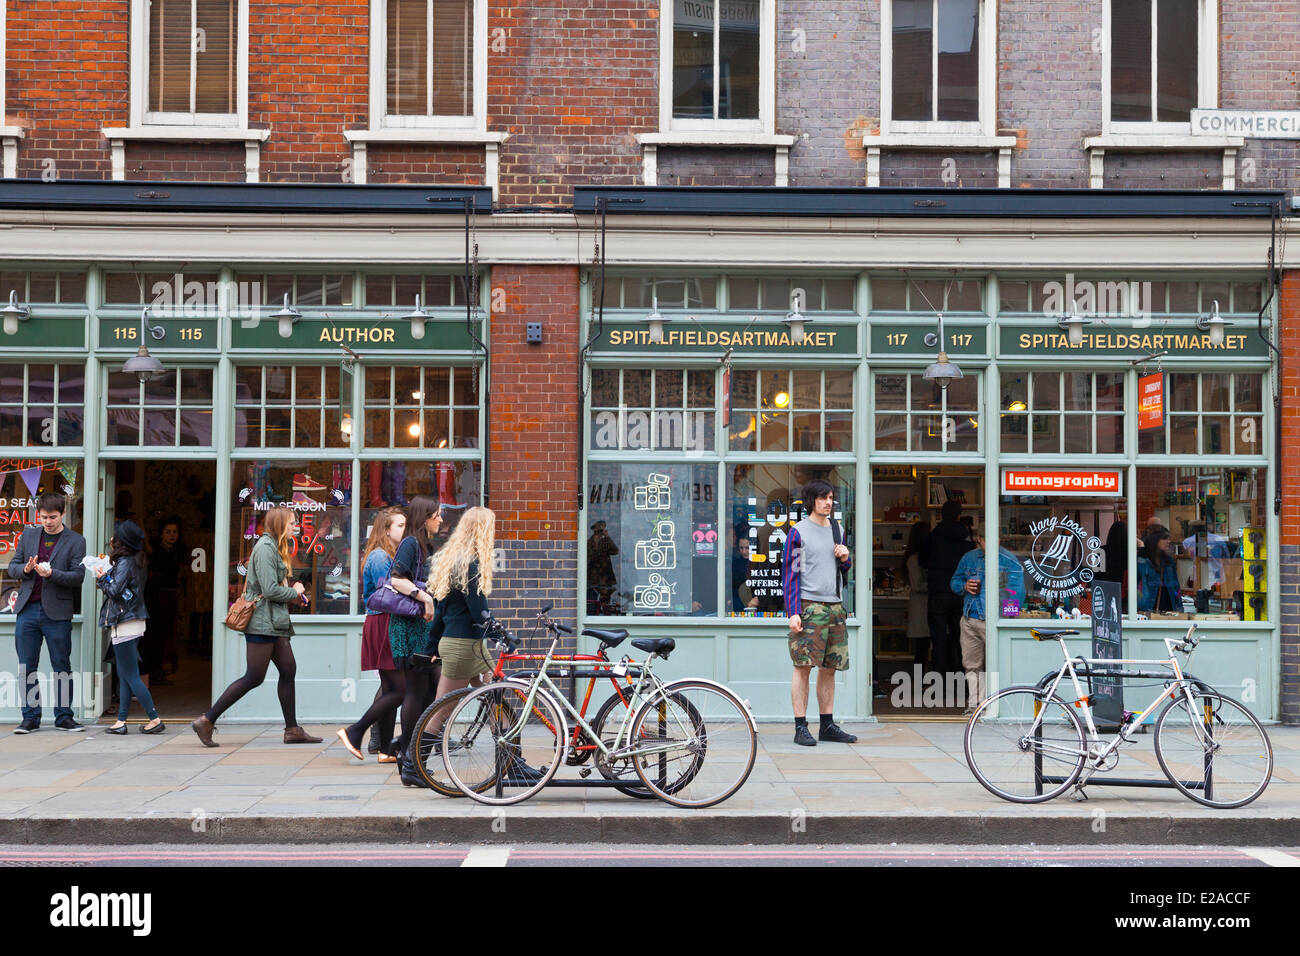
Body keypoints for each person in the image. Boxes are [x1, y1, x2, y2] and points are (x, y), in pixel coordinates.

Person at [191, 506, 322, 746]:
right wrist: (294, 591)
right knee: (254, 676)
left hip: (274, 622)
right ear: (281, 524)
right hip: (262, 622)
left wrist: (294, 595)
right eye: (292, 522)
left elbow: (272, 587)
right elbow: (269, 590)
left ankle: (292, 729)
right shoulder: (264, 549)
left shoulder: (275, 547)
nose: (297, 526)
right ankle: (206, 720)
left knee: (288, 669)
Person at [781, 479, 856, 746]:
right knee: (803, 667)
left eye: (831, 498)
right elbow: (791, 574)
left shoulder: (838, 530)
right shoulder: (798, 532)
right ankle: (801, 726)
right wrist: (793, 612)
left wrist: (846, 560)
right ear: (811, 501)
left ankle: (827, 725)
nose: (828, 502)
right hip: (809, 606)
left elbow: (840, 572)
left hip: (835, 606)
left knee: (830, 668)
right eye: (823, 498)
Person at [416, 507, 499, 744]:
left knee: (496, 698)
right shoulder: (470, 565)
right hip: (463, 647)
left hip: (468, 645)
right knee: (441, 711)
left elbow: (441, 610)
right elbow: (479, 611)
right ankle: (413, 765)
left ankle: (513, 763)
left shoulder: (452, 562)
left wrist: (432, 646)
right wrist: (498, 632)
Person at [8, 492, 87, 733]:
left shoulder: (75, 540)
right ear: (38, 515)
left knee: (61, 665)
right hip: (28, 610)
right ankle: (30, 718)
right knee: (26, 666)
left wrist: (52, 574)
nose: (48, 521)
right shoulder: (29, 535)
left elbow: (78, 576)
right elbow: (12, 568)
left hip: (57, 611)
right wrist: (27, 568)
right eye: (43, 517)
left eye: (52, 517)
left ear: (63, 514)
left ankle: (64, 716)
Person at [337, 507, 406, 763]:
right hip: (383, 623)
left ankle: (386, 749)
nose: (404, 530)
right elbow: (387, 595)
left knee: (390, 688)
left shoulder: (388, 555)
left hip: (385, 622)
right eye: (400, 526)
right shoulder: (379, 557)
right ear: (386, 529)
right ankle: (354, 731)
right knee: (400, 690)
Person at [386, 495, 443, 785]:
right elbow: (395, 579)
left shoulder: (423, 545)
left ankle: (407, 750)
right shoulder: (410, 544)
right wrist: (426, 598)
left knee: (432, 691)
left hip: (420, 629)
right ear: (425, 517)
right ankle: (409, 757)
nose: (441, 520)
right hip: (409, 628)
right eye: (437, 515)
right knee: (417, 691)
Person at [95, 520, 163, 735]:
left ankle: (154, 718)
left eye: (114, 536)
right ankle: (121, 721)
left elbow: (114, 591)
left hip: (124, 622)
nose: (111, 539)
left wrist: (101, 577)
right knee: (125, 674)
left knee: (131, 675)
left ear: (121, 541)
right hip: (132, 621)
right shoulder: (137, 560)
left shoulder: (125, 562)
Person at [949, 532, 1024, 716]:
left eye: (995, 538)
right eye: (986, 539)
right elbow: (954, 581)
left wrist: (1007, 621)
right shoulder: (969, 558)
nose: (991, 542)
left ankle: (998, 707)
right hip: (970, 618)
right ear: (979, 539)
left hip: (996, 621)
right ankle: (976, 706)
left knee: (997, 664)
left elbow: (1016, 593)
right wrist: (964, 586)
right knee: (972, 665)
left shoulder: (1009, 560)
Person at [922, 500, 974, 684]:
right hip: (960, 593)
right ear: (959, 515)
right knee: (959, 638)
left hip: (937, 591)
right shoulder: (967, 539)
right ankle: (959, 679)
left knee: (938, 639)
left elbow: (923, 560)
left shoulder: (933, 536)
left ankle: (938, 681)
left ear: (941, 515)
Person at [143, 515, 185, 686]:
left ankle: (159, 669)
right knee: (156, 634)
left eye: (174, 532)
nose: (171, 535)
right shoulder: (156, 552)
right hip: (158, 598)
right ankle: (154, 670)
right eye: (168, 532)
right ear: (161, 534)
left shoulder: (177, 551)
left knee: (167, 633)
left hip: (171, 596)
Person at [903, 521, 930, 665]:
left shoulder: (916, 558)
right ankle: (919, 682)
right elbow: (917, 585)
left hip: (922, 607)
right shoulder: (914, 560)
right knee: (922, 648)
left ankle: (922, 682)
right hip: (921, 608)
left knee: (923, 648)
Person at [1138, 528, 1182, 614]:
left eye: (1169, 539)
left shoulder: (1169, 562)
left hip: (1168, 606)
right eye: (1165, 538)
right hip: (1148, 605)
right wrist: (1141, 547)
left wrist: (1179, 606)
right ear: (1155, 540)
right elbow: (1140, 573)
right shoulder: (1145, 560)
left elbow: (1176, 587)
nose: (1168, 541)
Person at [586, 520, 620, 614]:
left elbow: (615, 551)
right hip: (593, 572)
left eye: (602, 529)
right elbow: (586, 554)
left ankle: (606, 613)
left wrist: (607, 538)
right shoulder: (590, 541)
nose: (600, 531)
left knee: (605, 596)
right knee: (592, 594)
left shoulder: (606, 540)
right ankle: (593, 612)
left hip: (604, 571)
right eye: (598, 529)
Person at [731, 534, 758, 612]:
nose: (744, 552)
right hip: (738, 604)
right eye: (741, 548)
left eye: (747, 548)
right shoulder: (735, 564)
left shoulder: (761, 563)